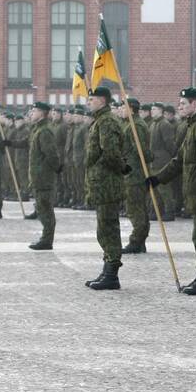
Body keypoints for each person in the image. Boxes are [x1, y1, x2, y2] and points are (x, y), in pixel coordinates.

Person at [149, 87, 196, 295]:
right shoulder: (192, 126)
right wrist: (157, 179)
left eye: (183, 104)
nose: (179, 107)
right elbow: (179, 160)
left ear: (195, 105)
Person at [83, 86, 128, 290]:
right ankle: (107, 269)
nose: (88, 102)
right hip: (101, 183)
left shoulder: (107, 121)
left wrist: (119, 168)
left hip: (107, 183)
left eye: (91, 99)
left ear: (102, 101)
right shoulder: (100, 120)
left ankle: (112, 273)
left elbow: (110, 152)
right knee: (104, 227)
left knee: (108, 227)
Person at [118, 98, 153, 254]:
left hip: (135, 173)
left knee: (135, 209)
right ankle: (140, 241)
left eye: (123, 107)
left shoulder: (136, 126)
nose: (120, 110)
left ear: (131, 109)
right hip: (133, 171)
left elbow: (141, 150)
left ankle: (136, 241)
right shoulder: (131, 124)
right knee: (138, 208)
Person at [26, 101, 61, 250]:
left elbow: (51, 154)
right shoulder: (38, 129)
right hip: (38, 176)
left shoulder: (45, 131)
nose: (31, 113)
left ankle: (47, 240)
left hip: (44, 177)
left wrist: (53, 169)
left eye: (34, 111)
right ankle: (46, 238)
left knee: (45, 208)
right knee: (42, 207)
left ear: (42, 113)